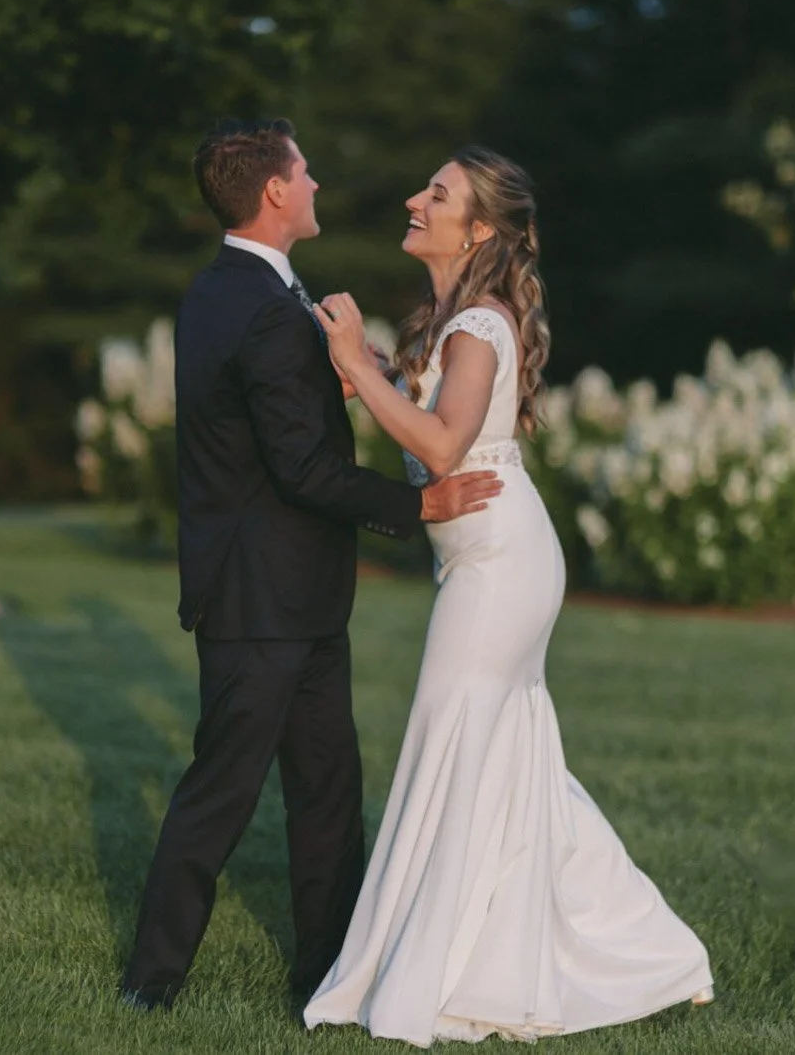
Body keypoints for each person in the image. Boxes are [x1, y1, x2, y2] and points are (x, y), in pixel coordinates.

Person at [302, 146, 714, 1046]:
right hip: (485, 558)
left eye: (436, 193)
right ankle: (653, 948)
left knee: (453, 736)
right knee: (510, 756)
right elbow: (432, 442)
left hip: (500, 566)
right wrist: (373, 370)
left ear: (478, 227)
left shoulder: (480, 322)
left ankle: (435, 968)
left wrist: (358, 369)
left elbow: (446, 449)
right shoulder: (450, 318)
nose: (415, 199)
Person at [118, 120, 504, 1012]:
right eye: (307, 171)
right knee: (222, 792)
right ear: (276, 194)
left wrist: (331, 371)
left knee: (329, 796)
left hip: (299, 597)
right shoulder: (260, 304)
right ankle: (150, 980)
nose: (319, 183)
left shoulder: (229, 291)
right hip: (259, 600)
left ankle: (328, 976)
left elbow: (260, 422)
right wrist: (416, 505)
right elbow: (298, 469)